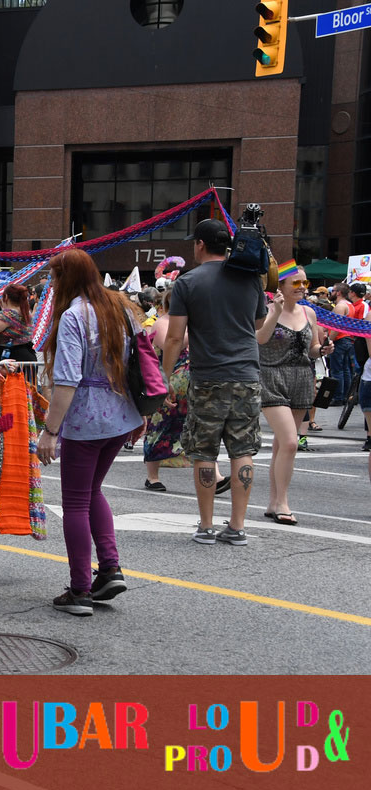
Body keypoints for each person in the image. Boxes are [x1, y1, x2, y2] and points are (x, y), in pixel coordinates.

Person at [37, 249, 144, 616]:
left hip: (87, 420)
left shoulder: (73, 316)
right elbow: (140, 365)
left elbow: (66, 381)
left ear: (67, 278)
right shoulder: (123, 307)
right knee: (92, 492)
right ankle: (110, 568)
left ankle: (81, 587)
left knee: (76, 503)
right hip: (122, 415)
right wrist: (141, 412)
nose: (51, 284)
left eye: (54, 277)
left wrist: (50, 432)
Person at [161, 219, 269, 547]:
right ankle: (237, 526)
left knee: (205, 451)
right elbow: (258, 325)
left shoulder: (188, 282)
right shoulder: (251, 279)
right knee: (243, 450)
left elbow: (175, 337)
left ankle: (206, 526)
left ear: (200, 245)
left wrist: (166, 377)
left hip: (207, 377)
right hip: (247, 376)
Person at [256, 267, 331, 525]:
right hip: (271, 378)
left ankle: (273, 502)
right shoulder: (266, 309)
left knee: (282, 443)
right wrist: (274, 313)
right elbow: (259, 341)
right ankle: (283, 503)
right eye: (296, 282)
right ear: (281, 285)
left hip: (301, 379)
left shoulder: (309, 312)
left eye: (305, 282)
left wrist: (323, 350)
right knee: (290, 442)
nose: (302, 286)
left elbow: (311, 350)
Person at [143, 285, 229, 494]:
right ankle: (152, 476)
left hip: (198, 382)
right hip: (170, 382)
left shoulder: (194, 323)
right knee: (161, 426)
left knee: (201, 429)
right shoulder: (163, 323)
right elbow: (170, 344)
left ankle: (215, 476)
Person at [0, 283, 37, 363]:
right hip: (28, 357)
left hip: (11, 360)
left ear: (6, 297)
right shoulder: (26, 312)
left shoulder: (8, 315)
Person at [329, 283, 357, 404]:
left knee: (337, 370)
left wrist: (329, 340)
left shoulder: (340, 306)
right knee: (345, 369)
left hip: (340, 340)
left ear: (339, 292)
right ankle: (347, 396)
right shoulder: (350, 305)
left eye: (333, 290)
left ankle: (338, 397)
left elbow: (336, 326)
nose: (332, 293)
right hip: (347, 340)